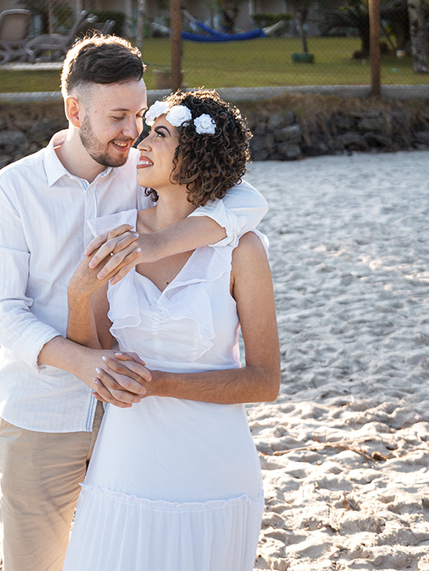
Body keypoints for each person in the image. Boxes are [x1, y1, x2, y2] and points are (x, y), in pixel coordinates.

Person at [0, 37, 268, 571]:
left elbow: (246, 200)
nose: (132, 131)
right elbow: (1, 311)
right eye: (118, 117)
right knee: (36, 563)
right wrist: (84, 362)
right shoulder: (14, 188)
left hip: (133, 423)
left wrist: (157, 244)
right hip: (45, 411)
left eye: (139, 114)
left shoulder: (142, 176)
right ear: (74, 110)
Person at [61, 89, 280, 571]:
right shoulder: (112, 233)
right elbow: (94, 353)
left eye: (160, 133)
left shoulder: (242, 250)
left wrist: (160, 384)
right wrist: (78, 298)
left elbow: (264, 381)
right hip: (127, 461)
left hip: (215, 467)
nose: (141, 140)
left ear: (197, 153)